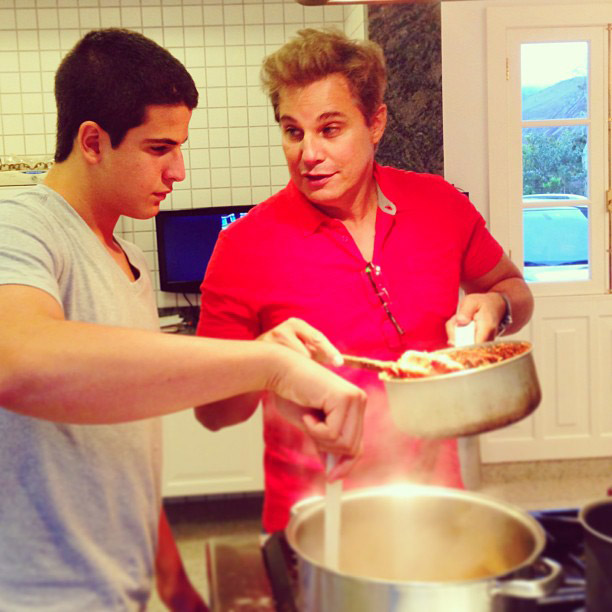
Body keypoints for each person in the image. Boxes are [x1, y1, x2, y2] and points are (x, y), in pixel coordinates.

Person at [0, 28, 367, 611]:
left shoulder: (131, 263)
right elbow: (17, 360)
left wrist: (172, 583)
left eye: (180, 146)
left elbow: (122, 449)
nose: (178, 171)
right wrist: (266, 364)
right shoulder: (21, 224)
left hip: (117, 592)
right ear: (92, 141)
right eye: (158, 148)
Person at [195, 28, 535, 533]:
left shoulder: (438, 204)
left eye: (330, 129)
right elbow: (213, 412)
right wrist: (263, 361)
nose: (307, 153)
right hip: (317, 517)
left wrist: (496, 306)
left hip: (434, 501)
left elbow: (515, 292)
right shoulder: (243, 246)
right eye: (293, 131)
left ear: (375, 123)